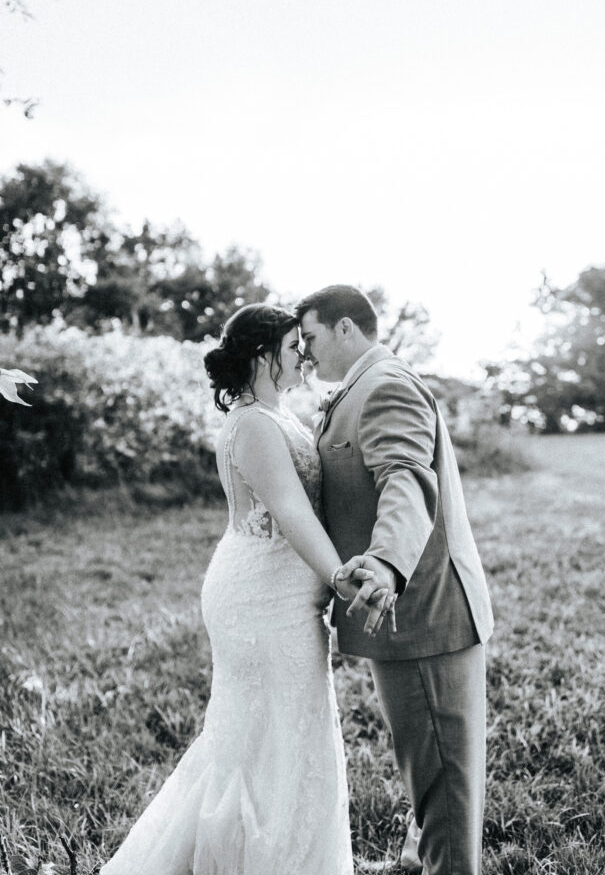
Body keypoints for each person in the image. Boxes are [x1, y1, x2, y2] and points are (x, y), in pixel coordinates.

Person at [100, 303, 393, 875]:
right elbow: (289, 511)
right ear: (262, 356)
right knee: (268, 740)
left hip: (283, 595)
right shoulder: (253, 423)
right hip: (259, 599)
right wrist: (338, 575)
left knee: (286, 735)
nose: (303, 356)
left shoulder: (276, 414)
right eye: (292, 348)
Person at [296, 285, 495, 875]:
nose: (304, 355)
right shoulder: (358, 389)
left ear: (346, 329)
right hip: (403, 617)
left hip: (420, 613)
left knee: (444, 784)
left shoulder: (383, 386)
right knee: (428, 769)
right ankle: (423, 861)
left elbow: (406, 480)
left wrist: (385, 563)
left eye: (309, 338)